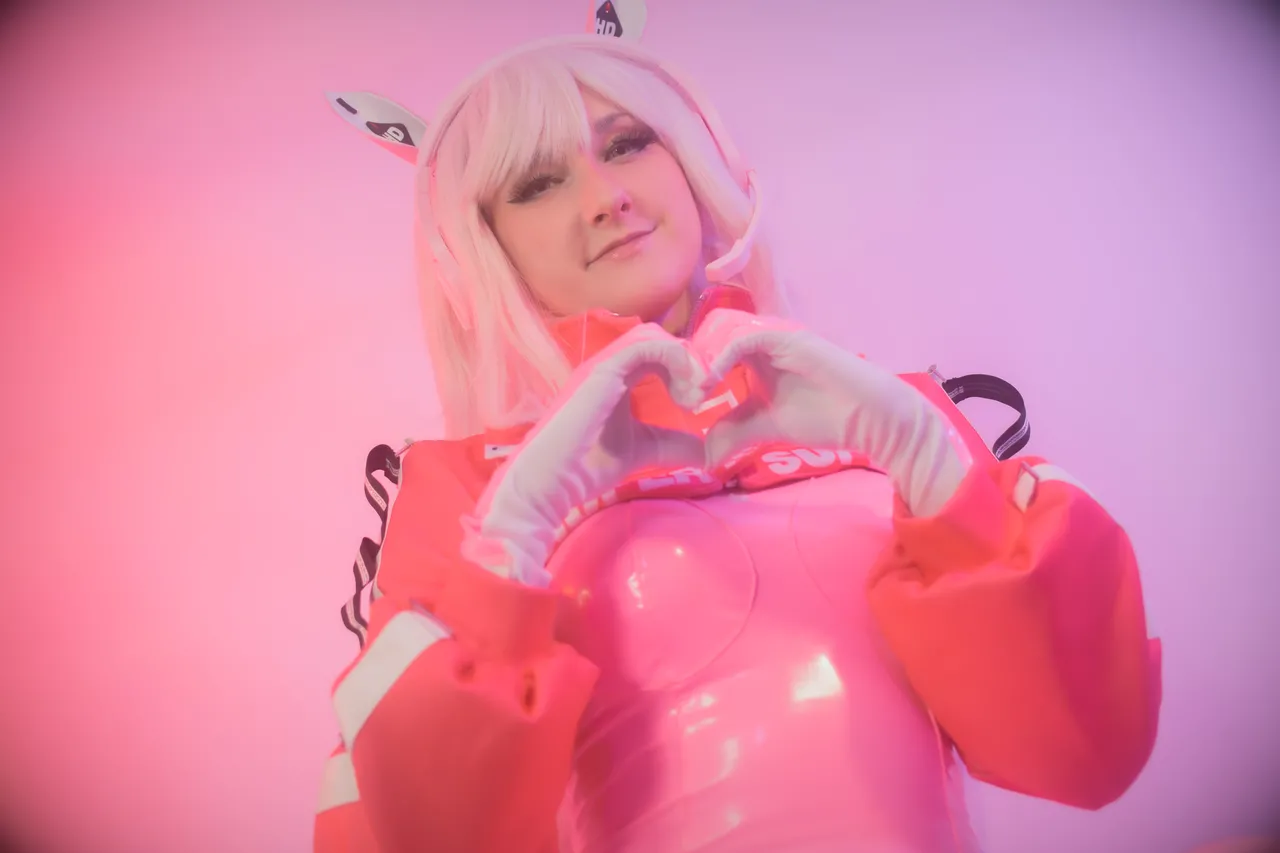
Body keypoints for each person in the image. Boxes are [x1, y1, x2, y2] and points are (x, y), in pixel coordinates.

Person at [313, 31, 1163, 853]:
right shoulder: (461, 490)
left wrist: (936, 473)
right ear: (485, 242)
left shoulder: (887, 413)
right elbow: (425, 835)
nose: (604, 196)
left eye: (627, 143)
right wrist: (510, 545)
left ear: (689, 160)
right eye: (537, 183)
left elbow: (1087, 750)